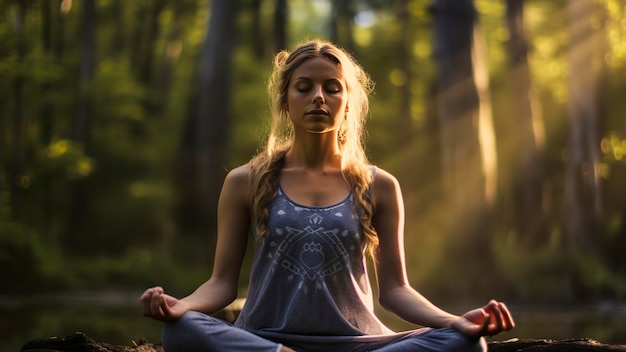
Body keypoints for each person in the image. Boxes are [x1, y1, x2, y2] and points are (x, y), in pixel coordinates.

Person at [140, 39, 515, 352]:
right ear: (286, 99)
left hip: (360, 344)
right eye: (304, 87)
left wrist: (457, 321)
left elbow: (397, 290)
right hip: (266, 342)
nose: (318, 97)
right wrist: (181, 306)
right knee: (179, 331)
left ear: (347, 102)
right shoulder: (244, 181)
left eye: (332, 88)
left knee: (467, 344)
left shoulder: (379, 185)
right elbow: (222, 284)